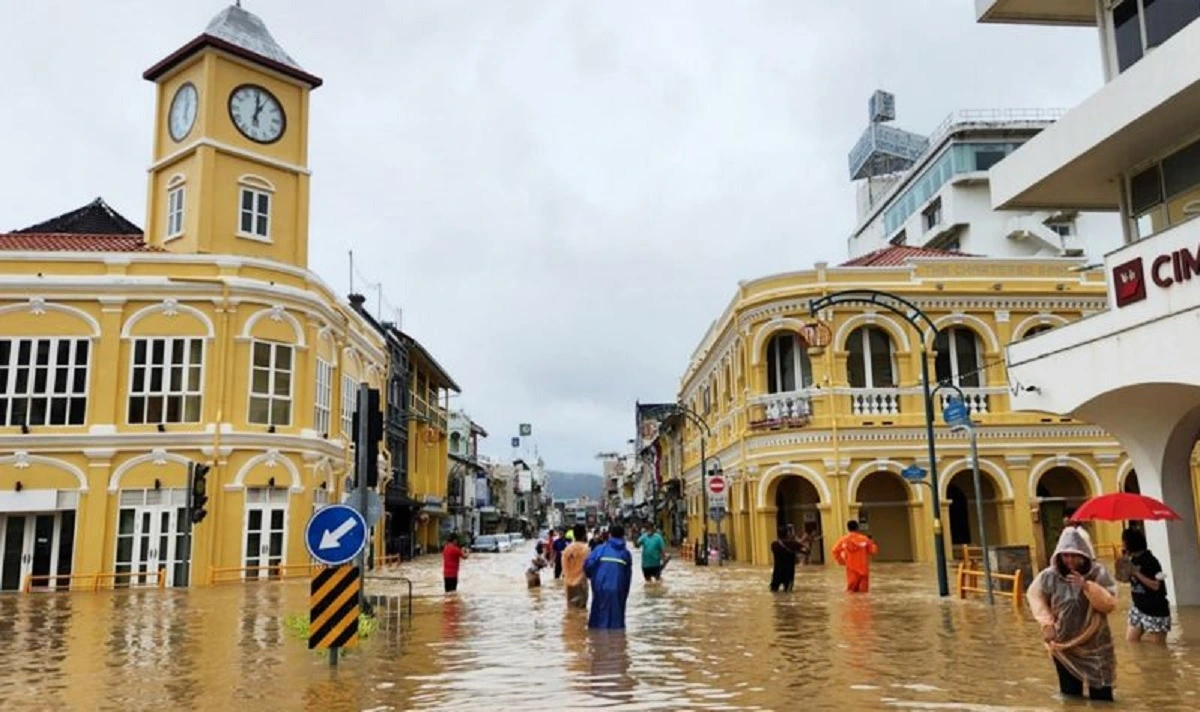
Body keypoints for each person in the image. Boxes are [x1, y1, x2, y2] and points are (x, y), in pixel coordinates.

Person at [1027, 527, 1118, 702]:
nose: (1069, 560)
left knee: (1102, 698)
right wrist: (1046, 624)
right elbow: (1035, 596)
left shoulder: (1097, 573)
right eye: (1065, 555)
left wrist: (1086, 586)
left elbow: (1109, 604)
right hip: (1064, 645)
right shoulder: (1049, 576)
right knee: (1071, 698)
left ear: (1083, 555)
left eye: (1074, 555)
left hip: (1096, 646)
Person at [1121, 528, 1171, 644]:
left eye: (1124, 542)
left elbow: (1156, 586)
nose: (1122, 544)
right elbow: (1124, 580)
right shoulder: (1132, 559)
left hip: (1155, 610)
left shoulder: (1151, 561)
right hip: (1138, 607)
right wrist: (1124, 566)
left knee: (1157, 651)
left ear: (1131, 543)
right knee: (1131, 642)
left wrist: (1136, 573)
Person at [584, 523, 633, 629]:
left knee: (597, 620)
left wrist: (594, 578)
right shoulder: (625, 553)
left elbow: (587, 567)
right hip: (618, 589)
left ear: (609, 535)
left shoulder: (599, 550)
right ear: (623, 536)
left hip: (600, 588)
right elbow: (628, 577)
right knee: (617, 622)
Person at [832, 520, 877, 593]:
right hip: (863, 570)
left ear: (848, 528)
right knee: (863, 594)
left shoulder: (844, 540)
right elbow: (872, 551)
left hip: (851, 570)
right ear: (857, 528)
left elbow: (834, 551)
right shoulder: (865, 539)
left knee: (851, 593)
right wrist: (872, 542)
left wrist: (842, 562)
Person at [562, 524, 591, 608]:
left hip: (568, 584)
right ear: (583, 535)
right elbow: (589, 568)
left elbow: (563, 568)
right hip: (581, 584)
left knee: (571, 610)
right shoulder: (586, 549)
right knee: (581, 612)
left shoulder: (567, 549)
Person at [770, 526, 805, 592]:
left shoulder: (774, 544)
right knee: (788, 593)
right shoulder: (794, 544)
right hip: (789, 574)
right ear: (787, 534)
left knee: (773, 591)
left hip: (777, 573)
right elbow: (807, 551)